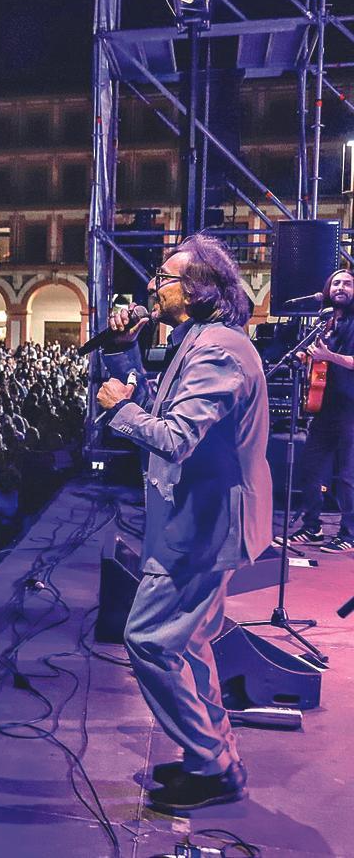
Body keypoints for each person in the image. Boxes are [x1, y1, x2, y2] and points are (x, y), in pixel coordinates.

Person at [96, 234, 271, 812]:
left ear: (201, 290)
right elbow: (161, 406)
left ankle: (213, 765)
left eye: (165, 277)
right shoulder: (196, 340)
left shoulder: (218, 349)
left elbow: (174, 437)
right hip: (194, 521)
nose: (153, 285)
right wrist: (124, 350)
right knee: (189, 644)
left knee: (148, 639)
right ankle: (212, 759)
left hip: (206, 526)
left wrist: (118, 411)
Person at [281, 267, 354, 552]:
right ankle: (312, 528)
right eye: (336, 283)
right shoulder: (326, 322)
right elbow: (319, 357)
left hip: (350, 407)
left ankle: (349, 534)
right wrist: (305, 356)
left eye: (347, 283)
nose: (340, 287)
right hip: (324, 407)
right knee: (311, 470)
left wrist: (328, 356)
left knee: (347, 476)